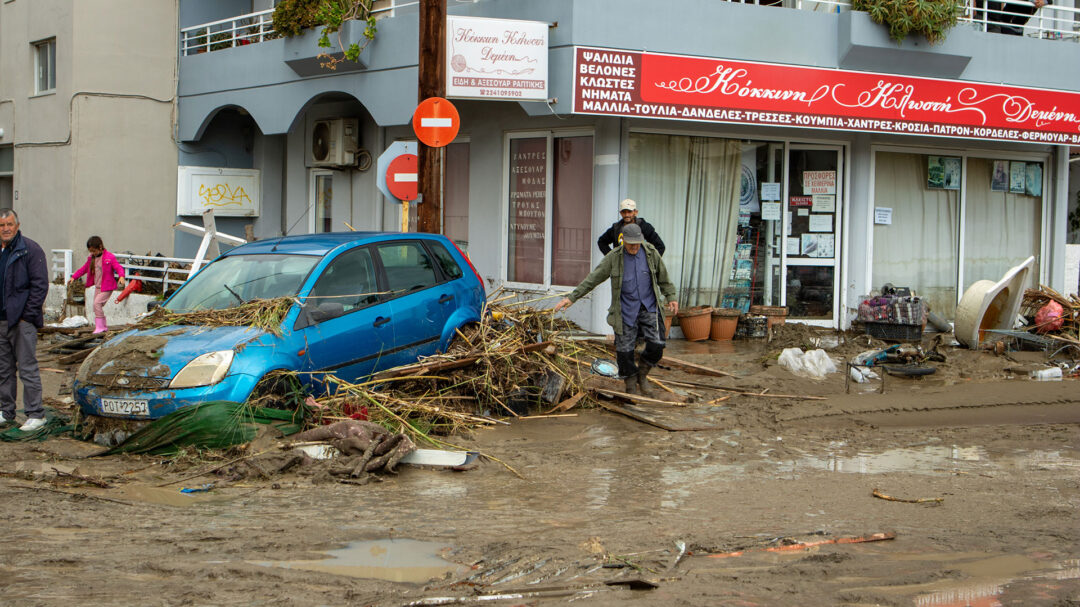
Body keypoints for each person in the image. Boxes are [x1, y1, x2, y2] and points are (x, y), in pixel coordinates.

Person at [555, 223, 678, 396]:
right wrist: (572, 297)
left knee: (657, 345)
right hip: (625, 310)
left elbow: (663, 278)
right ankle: (630, 384)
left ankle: (642, 375)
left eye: (637, 244)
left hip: (649, 306)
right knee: (624, 351)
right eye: (631, 244)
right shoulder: (614, 257)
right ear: (623, 242)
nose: (635, 247)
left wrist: (671, 296)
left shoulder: (650, 253)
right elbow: (593, 278)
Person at [0, 209, 49, 431]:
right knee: (4, 369)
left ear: (17, 225)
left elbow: (40, 286)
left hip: (22, 322)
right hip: (1, 321)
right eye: (2, 225)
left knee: (27, 368)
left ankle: (36, 414)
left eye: (9, 224)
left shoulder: (30, 249)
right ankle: (6, 411)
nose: (6, 228)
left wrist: (26, 316)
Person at [69, 236, 126, 334]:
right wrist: (74, 277)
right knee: (96, 306)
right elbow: (83, 269)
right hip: (98, 287)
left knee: (97, 304)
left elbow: (118, 267)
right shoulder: (91, 258)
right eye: (91, 251)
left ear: (100, 247)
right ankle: (103, 326)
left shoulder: (109, 257)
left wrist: (121, 276)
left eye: (94, 251)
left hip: (107, 287)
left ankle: (100, 327)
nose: (93, 253)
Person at [597, 199, 666, 256]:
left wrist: (649, 263)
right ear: (620, 213)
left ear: (635, 212)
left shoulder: (644, 227)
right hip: (621, 269)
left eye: (629, 212)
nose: (627, 215)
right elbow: (602, 242)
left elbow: (660, 247)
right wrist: (612, 258)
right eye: (624, 212)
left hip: (640, 268)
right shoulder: (616, 228)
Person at [985, 0, 1050, 35]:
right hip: (1007, 24)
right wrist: (1035, 1)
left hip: (1020, 27)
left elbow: (1050, 1)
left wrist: (1043, 2)